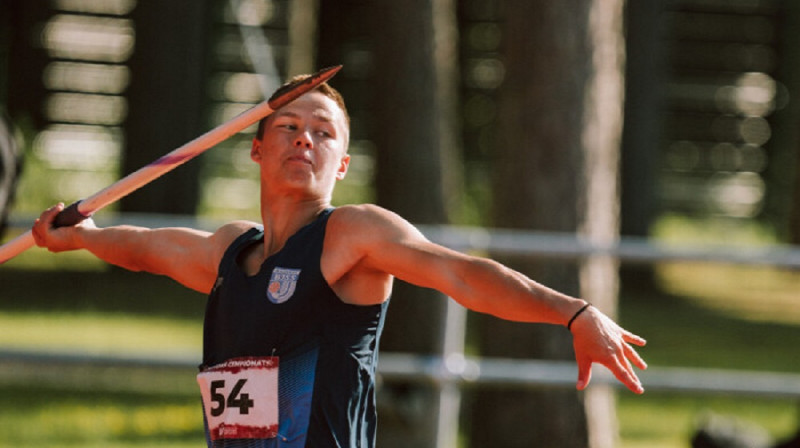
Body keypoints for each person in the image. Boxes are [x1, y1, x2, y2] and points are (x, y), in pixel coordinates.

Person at [32, 74, 647, 448]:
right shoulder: (228, 253)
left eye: (324, 133)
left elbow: (462, 274)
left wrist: (574, 313)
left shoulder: (351, 236)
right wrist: (84, 237)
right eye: (289, 127)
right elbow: (146, 248)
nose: (305, 139)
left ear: (343, 165)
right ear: (256, 149)